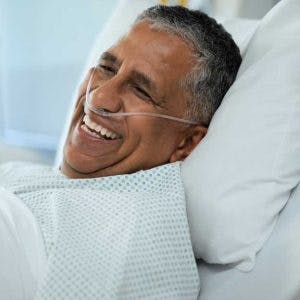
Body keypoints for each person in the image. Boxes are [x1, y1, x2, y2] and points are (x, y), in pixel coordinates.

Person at [60, 5, 242, 179]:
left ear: (187, 143)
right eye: (107, 68)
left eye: (141, 91)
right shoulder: (44, 196)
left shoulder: (128, 211)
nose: (98, 98)